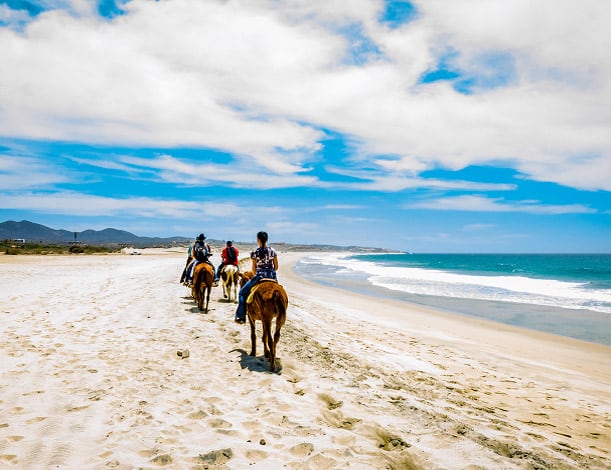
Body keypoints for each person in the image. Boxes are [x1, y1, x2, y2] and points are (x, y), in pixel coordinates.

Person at [234, 231, 278, 324]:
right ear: (267, 240)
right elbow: (276, 267)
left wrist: (257, 273)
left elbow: (253, 269)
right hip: (272, 276)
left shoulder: (255, 252)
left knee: (242, 293)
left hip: (259, 276)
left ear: (258, 240)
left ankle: (241, 316)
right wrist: (270, 271)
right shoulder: (272, 251)